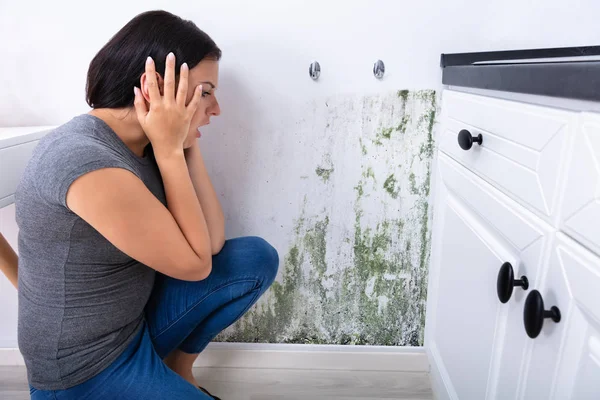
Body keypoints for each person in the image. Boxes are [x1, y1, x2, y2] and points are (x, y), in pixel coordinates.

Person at [9, 9, 279, 400]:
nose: (216, 108)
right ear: (153, 87)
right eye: (205, 92)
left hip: (131, 325)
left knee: (254, 257)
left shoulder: (142, 143)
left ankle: (177, 368)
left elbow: (213, 242)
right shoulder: (85, 160)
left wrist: (183, 144)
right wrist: (170, 148)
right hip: (85, 369)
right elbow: (195, 265)